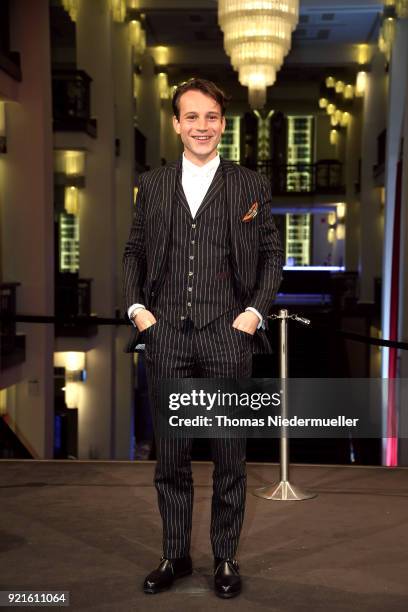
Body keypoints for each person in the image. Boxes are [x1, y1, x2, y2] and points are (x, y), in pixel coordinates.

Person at [123, 78, 283, 599]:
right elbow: (134, 253)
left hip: (227, 338)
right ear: (176, 124)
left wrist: (254, 313)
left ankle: (226, 559)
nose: (202, 126)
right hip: (166, 337)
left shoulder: (250, 187)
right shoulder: (152, 184)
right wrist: (140, 311)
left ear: (222, 123)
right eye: (191, 117)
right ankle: (174, 555)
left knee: (230, 457)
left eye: (211, 116)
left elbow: (270, 259)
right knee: (170, 457)